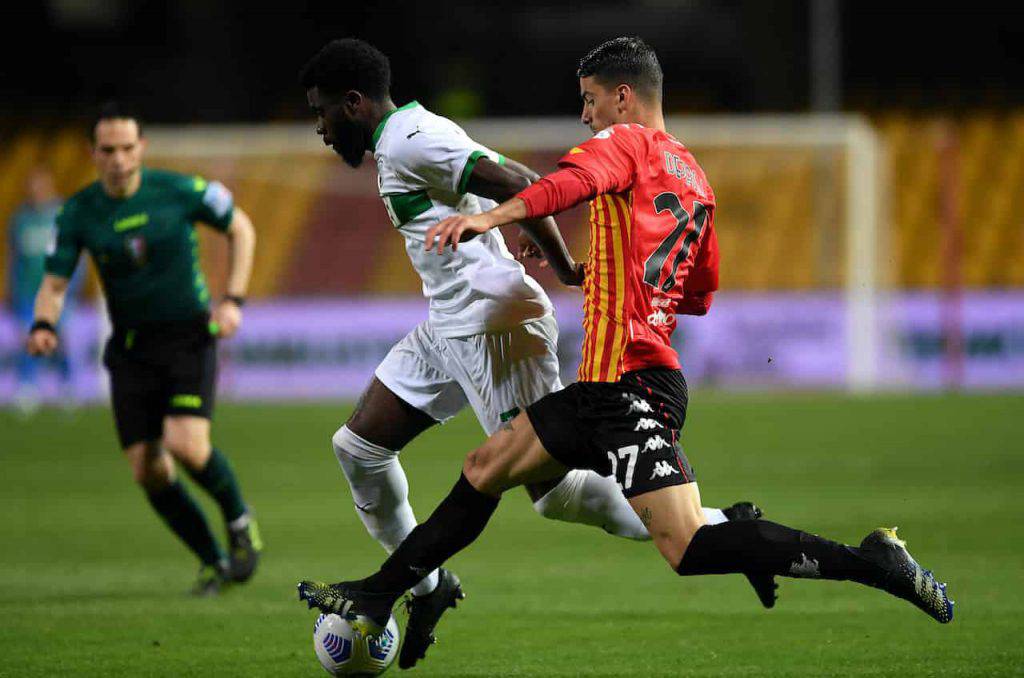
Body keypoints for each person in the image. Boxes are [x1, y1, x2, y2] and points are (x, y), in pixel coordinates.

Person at [297, 37, 954, 654]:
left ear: (623, 97)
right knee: (482, 472)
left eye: (589, 100)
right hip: (612, 383)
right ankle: (382, 594)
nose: (585, 116)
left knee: (686, 546)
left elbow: (556, 184)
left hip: (629, 386)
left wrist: (492, 217)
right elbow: (701, 288)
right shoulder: (693, 179)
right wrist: (602, 267)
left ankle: (869, 562)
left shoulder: (623, 144)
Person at [298, 38, 760, 668]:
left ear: (352, 103)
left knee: (556, 495)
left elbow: (521, 181)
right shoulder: (399, 141)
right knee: (358, 448)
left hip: (495, 327)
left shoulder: (409, 138)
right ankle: (428, 588)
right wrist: (560, 265)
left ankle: (721, 526)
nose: (321, 129)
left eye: (322, 113)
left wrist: (565, 264)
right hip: (451, 322)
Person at [27, 103, 263, 595]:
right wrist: (44, 323)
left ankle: (240, 521)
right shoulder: (78, 212)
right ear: (94, 154)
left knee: (185, 446)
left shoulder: (178, 191)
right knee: (149, 470)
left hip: (187, 338)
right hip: (130, 351)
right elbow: (53, 282)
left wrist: (234, 299)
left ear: (142, 149)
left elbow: (241, 227)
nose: (118, 158)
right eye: (108, 150)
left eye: (127, 148)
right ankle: (214, 561)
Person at [7, 168, 81, 415]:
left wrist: (72, 288)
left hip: (58, 292)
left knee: (60, 340)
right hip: (29, 291)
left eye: (40, 186)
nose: (36, 192)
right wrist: (13, 290)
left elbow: (75, 255)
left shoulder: (62, 216)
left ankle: (67, 386)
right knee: (30, 338)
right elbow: (15, 259)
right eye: (32, 186)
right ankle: (28, 388)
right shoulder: (21, 219)